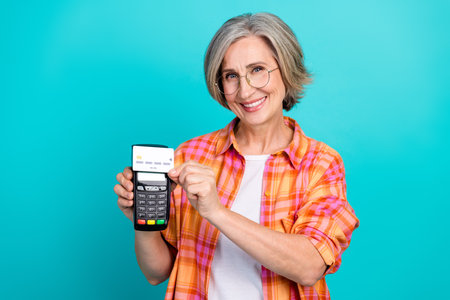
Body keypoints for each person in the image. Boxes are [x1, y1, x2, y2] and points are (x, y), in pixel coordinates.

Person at [114, 12, 359, 300]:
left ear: (287, 69)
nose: (245, 90)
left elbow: (309, 266)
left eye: (257, 69)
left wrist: (216, 212)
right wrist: (143, 222)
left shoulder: (320, 163)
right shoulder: (190, 155)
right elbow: (156, 272)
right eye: (231, 76)